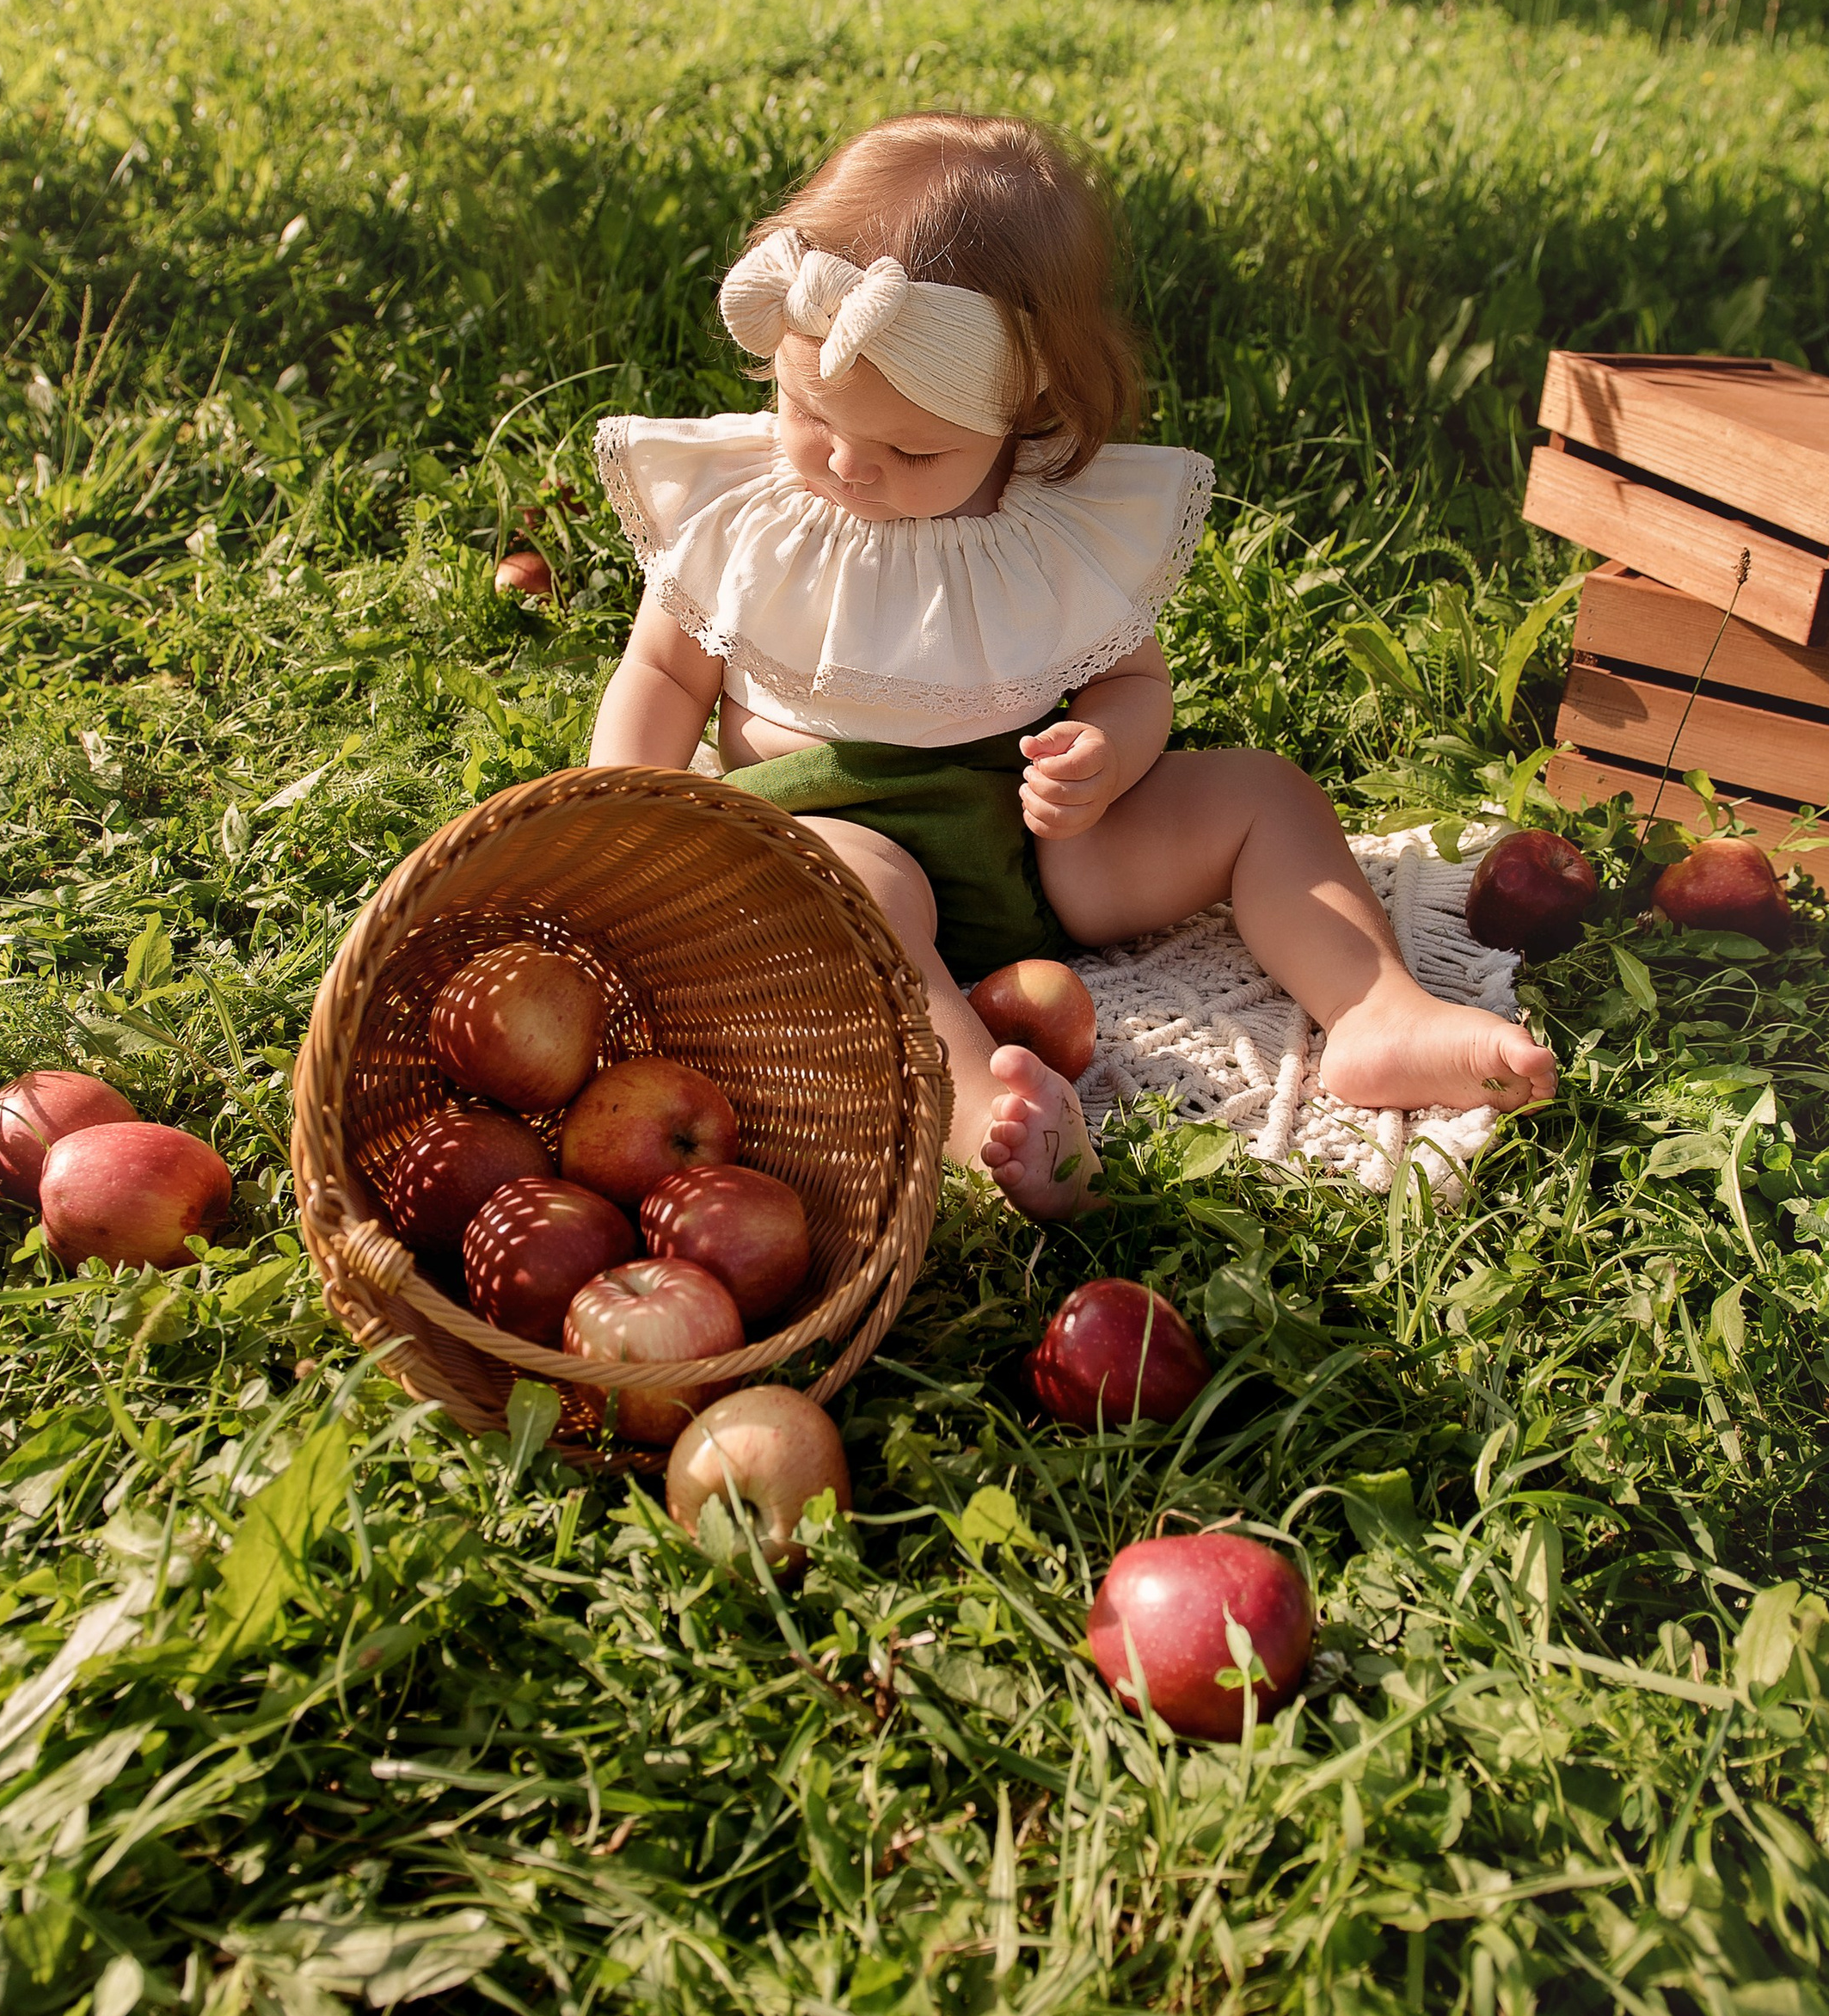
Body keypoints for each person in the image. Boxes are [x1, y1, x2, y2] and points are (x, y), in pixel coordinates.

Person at [588, 113, 1555, 1220]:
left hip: (1043, 838)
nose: (849, 464)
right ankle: (972, 1111)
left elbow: (1132, 682)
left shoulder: (1049, 518)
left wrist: (1105, 750)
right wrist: (626, 809)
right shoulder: (744, 509)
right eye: (808, 412)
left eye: (912, 450)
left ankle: (1376, 1010)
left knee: (1261, 795)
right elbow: (663, 677)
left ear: (1025, 406)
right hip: (819, 832)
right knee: (867, 884)